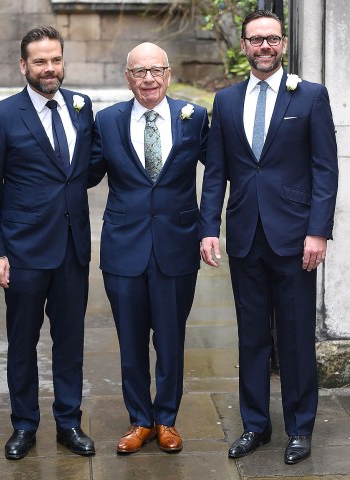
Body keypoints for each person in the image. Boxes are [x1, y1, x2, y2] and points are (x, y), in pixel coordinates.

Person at [200, 10, 338, 465]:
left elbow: (325, 169)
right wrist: (208, 229)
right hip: (244, 236)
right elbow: (217, 171)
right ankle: (255, 424)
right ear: (244, 45)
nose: (264, 47)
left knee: (296, 337)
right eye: (256, 40)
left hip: (296, 237)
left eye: (272, 40)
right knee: (252, 336)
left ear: (282, 45)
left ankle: (300, 428)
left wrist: (318, 231)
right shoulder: (225, 101)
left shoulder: (311, 97)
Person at [0, 26, 96, 460]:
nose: (50, 69)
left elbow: (88, 168)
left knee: (70, 342)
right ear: (23, 65)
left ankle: (69, 422)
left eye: (56, 60)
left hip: (72, 248)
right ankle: (24, 424)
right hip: (23, 251)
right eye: (40, 61)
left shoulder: (82, 109)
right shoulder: (3, 115)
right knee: (22, 342)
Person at [90, 42, 209, 454]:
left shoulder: (193, 118)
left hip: (176, 245)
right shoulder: (106, 121)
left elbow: (219, 171)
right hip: (124, 247)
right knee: (131, 340)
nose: (148, 79)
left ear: (169, 74)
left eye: (156, 70)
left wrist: (207, 226)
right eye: (139, 72)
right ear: (128, 78)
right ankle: (139, 420)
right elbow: (80, 173)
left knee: (172, 339)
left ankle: (166, 420)